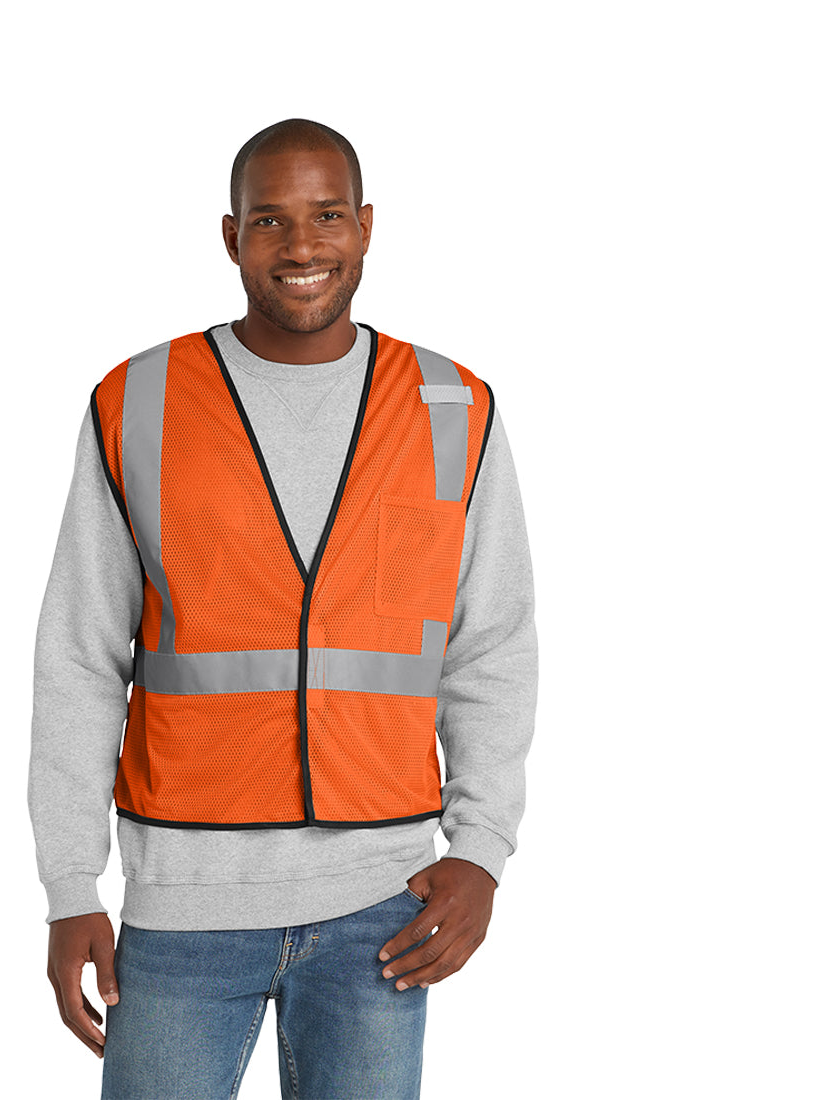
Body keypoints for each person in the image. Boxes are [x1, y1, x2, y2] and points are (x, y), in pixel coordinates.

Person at [28, 118, 539, 1100]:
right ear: (230, 237)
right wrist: (67, 885)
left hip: (383, 909)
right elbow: (78, 656)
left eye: (325, 215)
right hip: (182, 908)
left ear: (366, 226)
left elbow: (490, 645)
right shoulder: (140, 398)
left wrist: (480, 847)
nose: (301, 246)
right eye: (269, 220)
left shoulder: (451, 404)